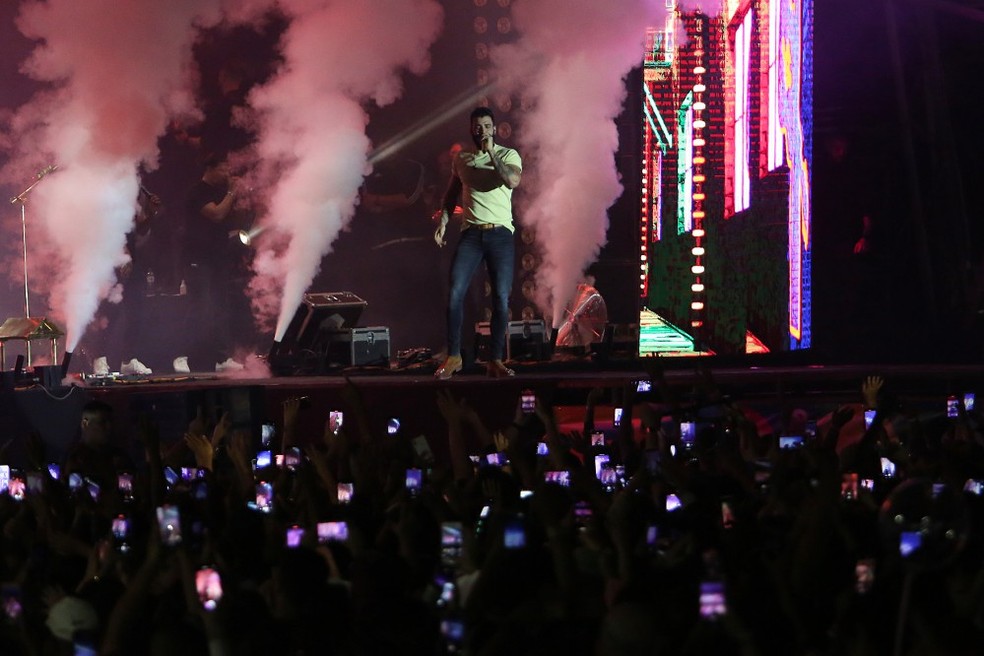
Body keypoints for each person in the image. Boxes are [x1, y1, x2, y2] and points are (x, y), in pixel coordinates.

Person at [432, 107, 522, 379]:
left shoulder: (508, 155)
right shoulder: (462, 158)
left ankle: (495, 360)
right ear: (471, 129)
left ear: (494, 128)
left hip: (500, 235)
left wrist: (492, 152)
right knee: (455, 292)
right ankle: (455, 356)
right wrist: (444, 222)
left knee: (501, 298)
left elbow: (512, 180)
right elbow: (451, 195)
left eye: (486, 125)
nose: (482, 130)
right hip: (471, 234)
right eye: (477, 126)